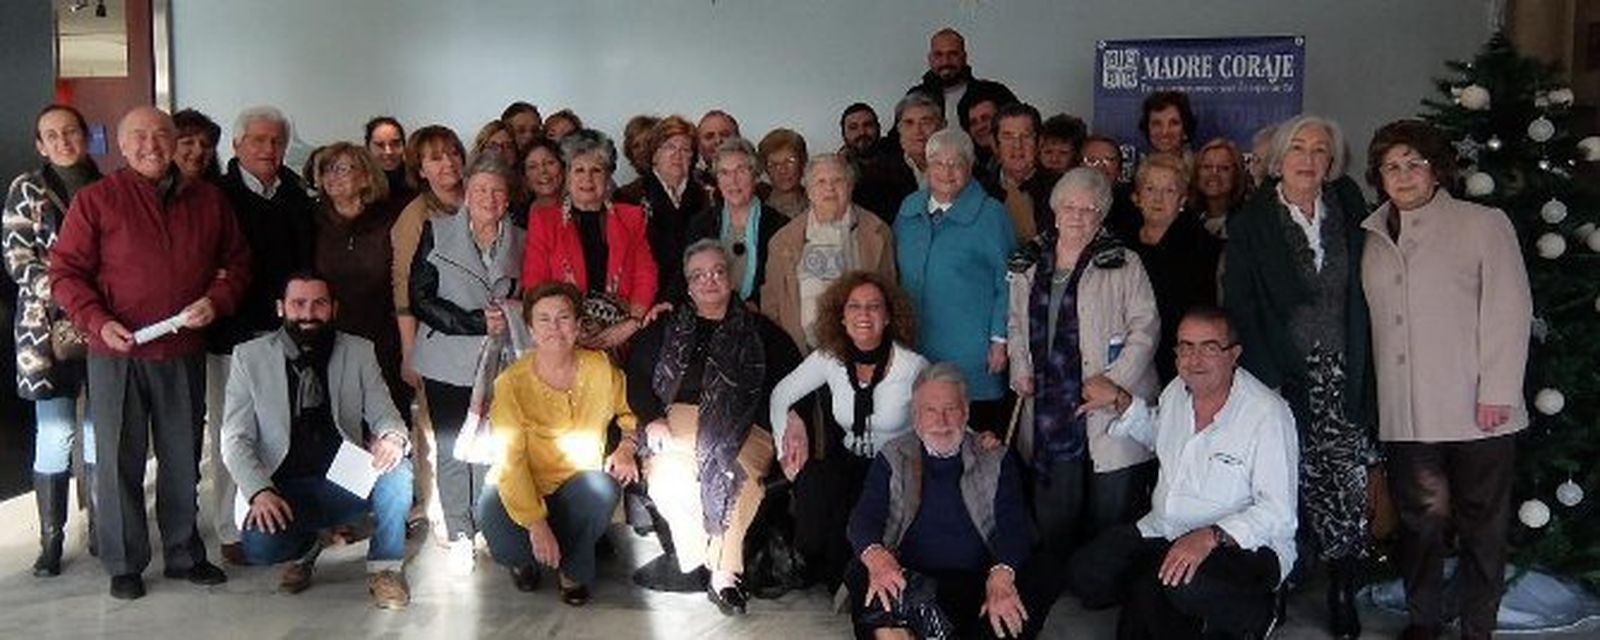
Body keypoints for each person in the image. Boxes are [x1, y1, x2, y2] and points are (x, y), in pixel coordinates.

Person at [51, 106, 251, 599]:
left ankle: (184, 553)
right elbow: (65, 273)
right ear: (121, 145)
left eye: (161, 135)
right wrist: (98, 321)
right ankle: (124, 563)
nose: (151, 144)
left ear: (175, 141)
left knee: (183, 457)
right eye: (139, 136)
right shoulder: (97, 200)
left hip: (183, 348)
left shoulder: (208, 200)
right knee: (120, 459)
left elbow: (237, 262)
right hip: (117, 352)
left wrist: (218, 301)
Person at [1360, 119, 1532, 640]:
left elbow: (1509, 308)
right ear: (1379, 176)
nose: (1404, 174)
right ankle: (1424, 620)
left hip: (1479, 408)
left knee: (1482, 526)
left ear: (1437, 170)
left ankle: (1478, 626)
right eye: (1392, 165)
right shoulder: (1370, 234)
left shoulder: (1482, 223)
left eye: (1415, 162)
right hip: (1407, 415)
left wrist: (1498, 392)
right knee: (1419, 525)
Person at [1224, 114, 1374, 639]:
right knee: (1281, 480)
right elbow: (1239, 306)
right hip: (1279, 372)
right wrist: (1265, 378)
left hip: (1342, 368)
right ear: (1278, 160)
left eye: (1320, 151)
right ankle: (1280, 581)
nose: (1309, 160)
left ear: (1331, 163)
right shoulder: (1250, 223)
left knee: (1344, 484)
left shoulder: (1351, 207)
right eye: (1299, 149)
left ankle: (1340, 587)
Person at [1068, 307, 1298, 639]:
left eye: (1209, 347)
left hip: (1242, 548)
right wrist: (1119, 400)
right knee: (1086, 574)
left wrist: (1211, 536)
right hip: (1166, 530)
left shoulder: (1267, 414)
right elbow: (1160, 435)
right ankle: (1167, 592)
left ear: (1234, 354)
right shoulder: (1177, 391)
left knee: (1181, 586)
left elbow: (1279, 513)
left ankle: (1258, 612)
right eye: (1186, 346)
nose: (1195, 359)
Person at [625, 239, 801, 615]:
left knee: (734, 476)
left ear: (730, 279)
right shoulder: (666, 327)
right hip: (676, 422)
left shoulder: (760, 330)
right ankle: (714, 560)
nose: (709, 281)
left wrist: (796, 416)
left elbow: (793, 379)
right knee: (669, 477)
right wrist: (652, 418)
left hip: (744, 424)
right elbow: (636, 376)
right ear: (687, 285)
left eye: (718, 272)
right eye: (698, 275)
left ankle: (722, 573)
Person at [221, 272, 413, 608]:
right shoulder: (249, 357)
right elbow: (235, 439)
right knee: (260, 547)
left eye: (319, 304)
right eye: (298, 304)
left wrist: (392, 438)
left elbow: (386, 413)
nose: (309, 313)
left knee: (399, 472)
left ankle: (386, 569)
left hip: (344, 475)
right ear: (281, 308)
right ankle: (309, 546)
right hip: (281, 485)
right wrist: (259, 491)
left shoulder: (358, 351)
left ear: (333, 309)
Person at [1006, 167, 1160, 580]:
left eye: (1088, 209)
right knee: (1055, 498)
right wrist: (1020, 367)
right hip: (1049, 400)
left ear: (1101, 216)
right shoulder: (1028, 260)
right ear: (1055, 211)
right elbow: (1017, 324)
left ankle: (1099, 580)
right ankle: (1056, 576)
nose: (1077, 216)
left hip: (1106, 396)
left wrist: (1115, 385)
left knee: (1109, 499)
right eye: (1069, 207)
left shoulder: (1124, 262)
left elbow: (1145, 328)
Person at [478, 282, 640, 606]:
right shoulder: (511, 384)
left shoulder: (600, 368)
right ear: (530, 330)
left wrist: (626, 445)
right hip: (521, 485)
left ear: (578, 325)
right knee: (508, 545)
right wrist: (536, 524)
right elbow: (510, 461)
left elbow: (630, 411)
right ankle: (525, 559)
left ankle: (572, 568)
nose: (555, 328)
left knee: (603, 488)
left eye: (564, 318)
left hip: (575, 486)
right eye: (544, 319)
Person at [846, 363, 1035, 639]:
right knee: (860, 569)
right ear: (915, 416)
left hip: (979, 581)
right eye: (930, 411)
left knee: (1040, 573)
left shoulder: (994, 457)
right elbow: (864, 518)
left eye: (950, 409)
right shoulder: (894, 455)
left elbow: (1014, 526)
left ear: (966, 412)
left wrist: (1002, 575)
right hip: (911, 581)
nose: (941, 421)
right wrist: (877, 557)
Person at [768, 271, 929, 589]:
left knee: (855, 545)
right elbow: (781, 395)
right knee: (815, 484)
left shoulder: (913, 366)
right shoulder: (830, 357)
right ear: (841, 317)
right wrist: (785, 443)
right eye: (854, 307)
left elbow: (941, 415)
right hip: (848, 461)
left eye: (873, 306)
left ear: (887, 316)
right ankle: (817, 559)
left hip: (893, 468)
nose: (864, 315)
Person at [209, 105, 317, 565]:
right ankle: (230, 529)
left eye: (276, 141)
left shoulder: (296, 192)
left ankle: (282, 521)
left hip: (287, 337)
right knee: (233, 434)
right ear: (236, 145)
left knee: (284, 432)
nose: (268, 149)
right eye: (258, 140)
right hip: (233, 336)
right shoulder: (216, 195)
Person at [409, 153, 525, 572]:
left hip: (504, 360)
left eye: (497, 191)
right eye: (480, 190)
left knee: (497, 446)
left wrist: (510, 312)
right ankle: (460, 531)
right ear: (466, 194)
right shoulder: (436, 232)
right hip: (448, 356)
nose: (488, 198)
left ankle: (489, 525)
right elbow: (419, 298)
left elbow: (532, 296)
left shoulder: (523, 239)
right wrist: (474, 321)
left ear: (508, 198)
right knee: (452, 446)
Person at [5, 104, 102, 577]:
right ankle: (52, 541)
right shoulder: (27, 188)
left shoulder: (108, 186)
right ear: (41, 145)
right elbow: (19, 259)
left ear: (86, 138)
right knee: (57, 430)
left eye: (71, 132)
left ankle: (104, 530)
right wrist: (74, 294)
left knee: (99, 431)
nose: (63, 141)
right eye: (52, 135)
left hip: (105, 324)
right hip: (45, 329)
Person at [894, 129, 1015, 434]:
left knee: (973, 438)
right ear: (926, 166)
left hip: (973, 353)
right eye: (938, 163)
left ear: (970, 167)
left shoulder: (992, 215)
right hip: (916, 347)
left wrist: (1000, 340)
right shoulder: (908, 209)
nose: (946, 172)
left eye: (956, 163)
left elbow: (1010, 281)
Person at [390, 124, 466, 537]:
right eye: (436, 157)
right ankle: (437, 509)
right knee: (436, 432)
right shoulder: (415, 216)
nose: (448, 162)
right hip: (433, 340)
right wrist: (409, 353)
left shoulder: (478, 198)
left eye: (453, 152)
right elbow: (403, 290)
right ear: (420, 169)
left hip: (476, 338)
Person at [522, 129, 657, 350]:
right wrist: (571, 331)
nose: (587, 178)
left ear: (608, 175)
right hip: (564, 335)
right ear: (567, 175)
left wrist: (631, 323)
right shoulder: (544, 221)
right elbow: (535, 285)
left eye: (596, 170)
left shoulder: (632, 217)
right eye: (579, 170)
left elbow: (645, 275)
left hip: (622, 333)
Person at [309, 143, 411, 424]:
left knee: (389, 423)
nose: (333, 176)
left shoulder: (391, 220)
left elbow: (404, 282)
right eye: (327, 169)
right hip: (332, 338)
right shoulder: (313, 220)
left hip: (384, 338)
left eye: (342, 168)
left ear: (366, 177)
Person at [762, 153, 897, 352]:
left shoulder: (877, 232)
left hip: (863, 352)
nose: (829, 188)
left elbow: (890, 294)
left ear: (850, 187)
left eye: (838, 180)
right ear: (808, 191)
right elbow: (771, 305)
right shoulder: (783, 241)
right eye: (820, 182)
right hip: (805, 354)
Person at [1129, 154, 1221, 384]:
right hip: (1129, 363)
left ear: (1182, 200)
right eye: (1150, 189)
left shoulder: (1204, 249)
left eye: (1169, 191)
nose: (1158, 198)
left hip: (1181, 364)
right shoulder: (1122, 245)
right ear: (1138, 197)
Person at [616, 115, 709, 302]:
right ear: (655, 154)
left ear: (693, 157)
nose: (677, 154)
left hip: (697, 295)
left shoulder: (706, 196)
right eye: (670, 147)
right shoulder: (628, 196)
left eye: (685, 149)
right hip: (646, 299)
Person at [688, 138, 788, 307]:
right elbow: (687, 273)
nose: (733, 181)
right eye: (724, 173)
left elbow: (783, 284)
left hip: (761, 317)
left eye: (741, 171)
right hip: (709, 314)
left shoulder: (778, 225)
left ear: (755, 176)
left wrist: (755, 304)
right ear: (717, 179)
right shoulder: (701, 223)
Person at [906, 27, 1017, 138]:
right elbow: (895, 143)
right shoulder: (915, 97)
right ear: (930, 59)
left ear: (964, 57)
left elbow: (1021, 127)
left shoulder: (994, 93)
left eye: (953, 54)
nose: (945, 61)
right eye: (939, 55)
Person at [854, 93, 943, 225]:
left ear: (941, 127)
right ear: (899, 130)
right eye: (909, 123)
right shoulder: (878, 174)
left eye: (926, 122)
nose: (918, 131)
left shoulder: (961, 167)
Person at [984, 102, 1059, 241]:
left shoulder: (1061, 188)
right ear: (995, 144)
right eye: (1008, 137)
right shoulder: (978, 190)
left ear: (1039, 142)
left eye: (1025, 136)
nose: (1017, 145)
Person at [1082, 134, 1140, 240]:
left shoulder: (1133, 205)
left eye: (1109, 160)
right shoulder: (1064, 200)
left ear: (1120, 168)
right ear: (1079, 166)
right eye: (1092, 160)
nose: (1100, 166)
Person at [1190, 138, 1250, 239]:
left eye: (1224, 168)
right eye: (1207, 167)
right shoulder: (1186, 218)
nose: (1214, 173)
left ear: (1236, 175)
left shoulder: (1248, 221)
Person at [757, 128, 808, 219]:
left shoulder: (817, 202)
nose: (783, 170)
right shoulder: (757, 210)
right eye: (773, 164)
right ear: (765, 169)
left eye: (790, 161)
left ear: (803, 162)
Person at [364, 116, 414, 207]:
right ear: (368, 148)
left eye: (395, 143)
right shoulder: (360, 184)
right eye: (380, 145)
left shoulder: (417, 179)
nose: (388, 151)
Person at [1139, 91, 1197, 163]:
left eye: (1173, 123)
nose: (1164, 132)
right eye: (1157, 124)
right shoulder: (1139, 171)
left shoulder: (1202, 171)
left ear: (1185, 129)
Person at [695, 110, 741, 196]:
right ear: (698, 145)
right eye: (709, 137)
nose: (718, 141)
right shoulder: (689, 184)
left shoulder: (759, 185)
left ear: (738, 139)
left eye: (725, 135)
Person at [173, 108, 222, 182]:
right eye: (188, 143)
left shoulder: (219, 191)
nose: (199, 151)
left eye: (206, 144)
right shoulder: (154, 190)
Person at [518, 137, 564, 215]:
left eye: (549, 163)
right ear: (525, 178)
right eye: (533, 167)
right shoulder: (521, 216)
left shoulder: (581, 209)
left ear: (563, 168)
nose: (543, 171)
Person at [838, 102, 883, 166]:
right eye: (853, 127)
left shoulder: (897, 154)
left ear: (878, 128)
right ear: (843, 134)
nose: (862, 132)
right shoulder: (838, 168)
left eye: (868, 125)